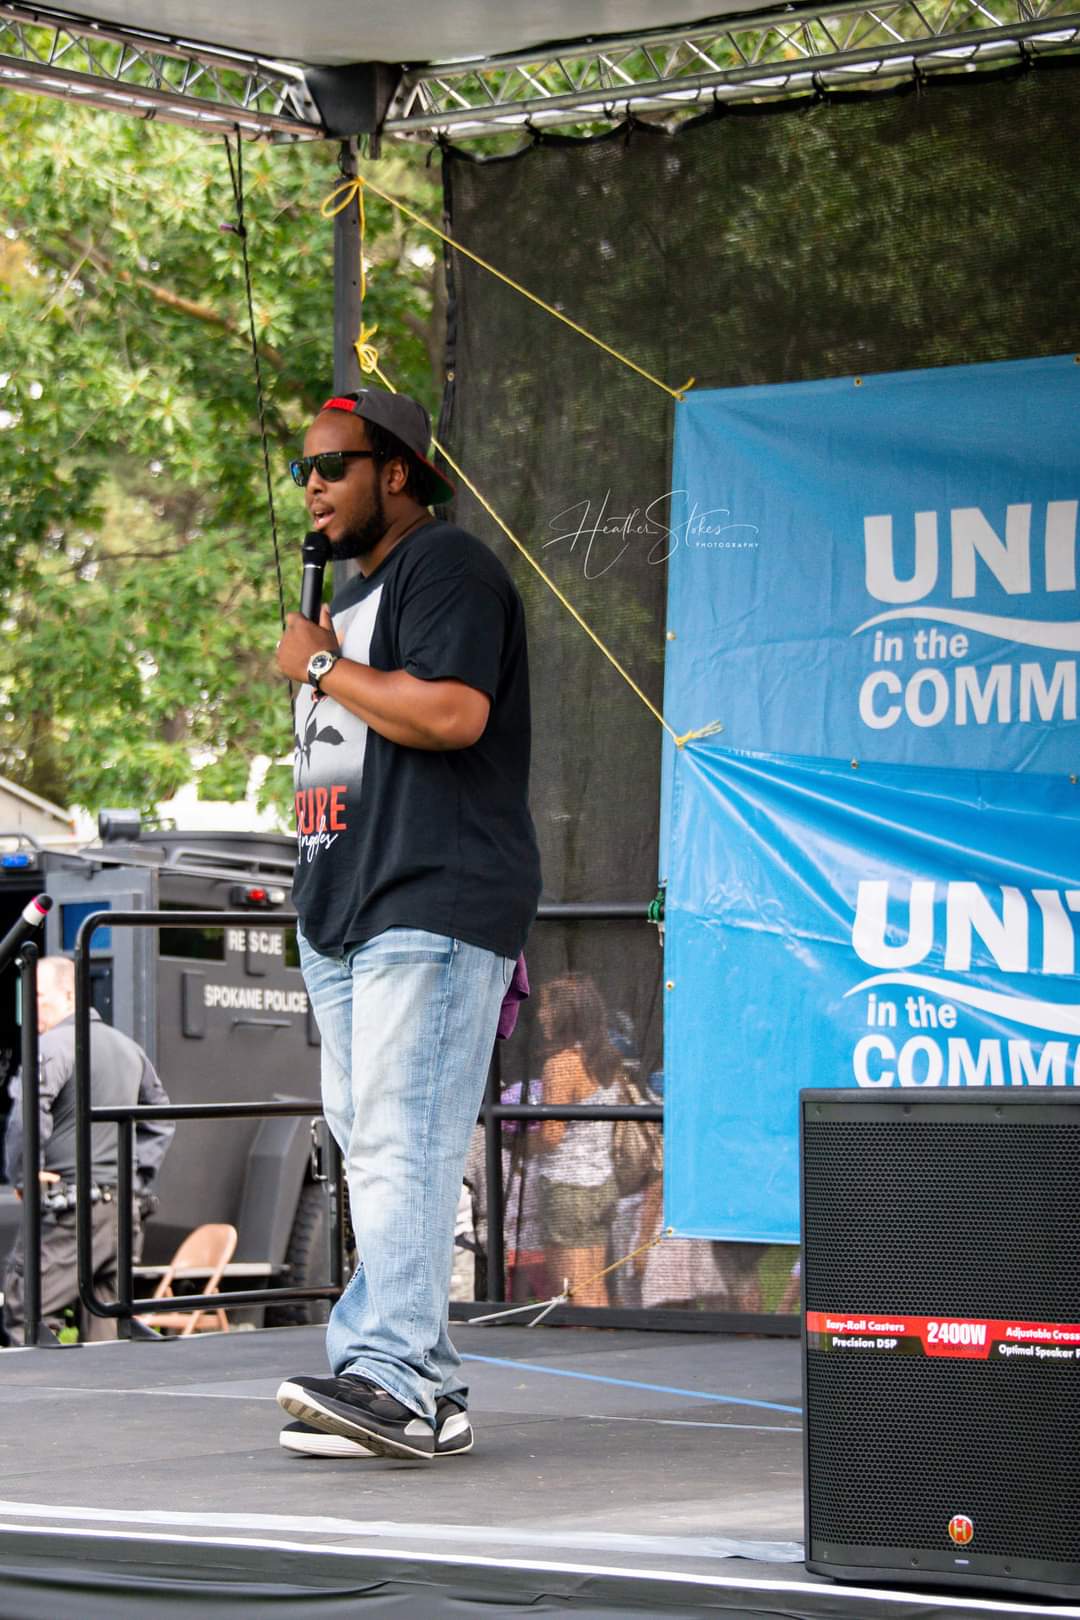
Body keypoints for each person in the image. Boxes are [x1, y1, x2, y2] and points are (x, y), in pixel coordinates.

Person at [273, 386, 541, 1462]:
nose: (314, 487)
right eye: (305, 471)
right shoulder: (359, 598)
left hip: (428, 893)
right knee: (373, 1143)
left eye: (332, 465)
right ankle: (395, 1370)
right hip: (345, 903)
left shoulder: (448, 566)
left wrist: (326, 667)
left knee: (402, 1138)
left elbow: (453, 713)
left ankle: (407, 1381)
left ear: (396, 470)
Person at [2, 954, 174, 1344]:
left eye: (38, 997)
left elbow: (27, 1113)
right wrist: (135, 1176)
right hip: (123, 1212)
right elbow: (161, 1116)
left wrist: (25, 1171)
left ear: (68, 995)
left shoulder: (53, 1046)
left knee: (26, 1310)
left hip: (71, 1211)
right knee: (105, 1317)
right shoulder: (127, 1048)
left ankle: (41, 1405)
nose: (29, 1009)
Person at [533, 973, 624, 1308]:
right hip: (601, 1185)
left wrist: (518, 1142)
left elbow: (552, 1136)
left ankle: (592, 1357)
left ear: (563, 1014)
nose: (540, 1015)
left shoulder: (561, 1065)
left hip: (568, 1188)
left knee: (575, 1290)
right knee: (594, 1284)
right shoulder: (605, 1058)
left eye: (545, 1007)